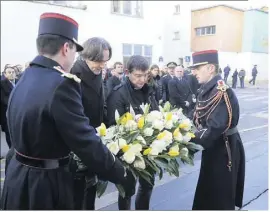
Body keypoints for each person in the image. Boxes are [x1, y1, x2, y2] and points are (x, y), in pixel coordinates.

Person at [0, 12, 127, 210]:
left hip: (18, 178)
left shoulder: (26, 76)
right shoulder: (62, 84)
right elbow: (83, 139)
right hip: (45, 186)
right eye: (75, 52)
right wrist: (119, 172)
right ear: (66, 48)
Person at [189, 50, 245, 210]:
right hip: (215, 147)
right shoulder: (209, 88)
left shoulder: (221, 91)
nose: (194, 72)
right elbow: (198, 113)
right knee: (209, 191)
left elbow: (215, 127)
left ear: (210, 68)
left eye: (197, 68)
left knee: (219, 195)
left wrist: (187, 139)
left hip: (224, 149)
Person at [107, 55, 159, 210]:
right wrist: (132, 123)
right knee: (127, 189)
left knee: (148, 184)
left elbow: (155, 112)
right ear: (127, 72)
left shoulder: (148, 90)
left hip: (148, 150)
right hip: (127, 152)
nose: (142, 79)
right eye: (137, 75)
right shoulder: (118, 93)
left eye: (145, 75)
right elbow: (113, 125)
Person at [69, 37, 113, 210]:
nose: (102, 65)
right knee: (78, 196)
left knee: (91, 192)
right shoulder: (74, 74)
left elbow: (100, 104)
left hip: (94, 139)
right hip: (78, 143)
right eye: (99, 61)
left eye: (105, 61)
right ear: (87, 55)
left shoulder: (95, 73)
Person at [1, 65, 17, 149]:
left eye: (13, 72)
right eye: (9, 72)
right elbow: (4, 100)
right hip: (7, 115)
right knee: (9, 134)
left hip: (18, 114)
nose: (11, 74)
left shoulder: (19, 82)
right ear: (5, 74)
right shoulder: (2, 84)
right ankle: (12, 151)